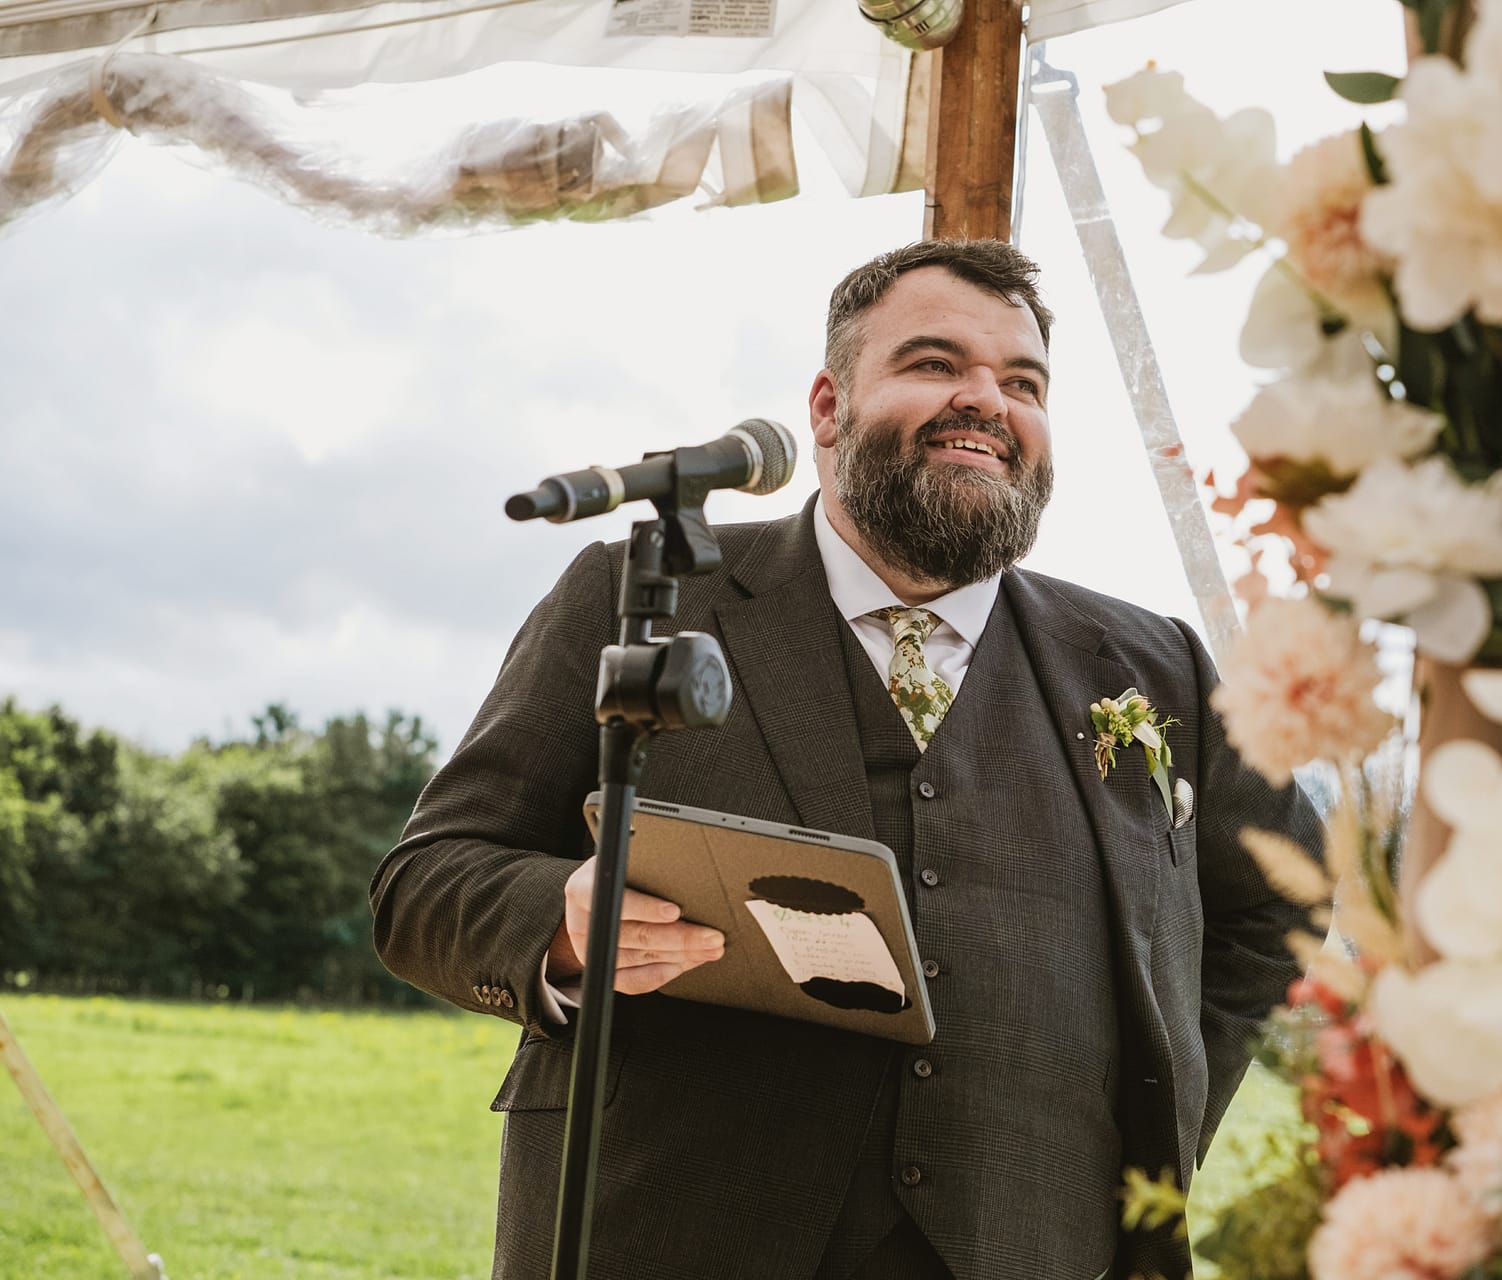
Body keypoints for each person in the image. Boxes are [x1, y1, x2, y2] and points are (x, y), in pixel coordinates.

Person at [370, 239, 1324, 1280]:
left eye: (1023, 382)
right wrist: (560, 919)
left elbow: (1284, 902)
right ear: (827, 409)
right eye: (932, 364)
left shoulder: (1157, 667)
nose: (984, 401)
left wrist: (1160, 1098)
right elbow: (425, 881)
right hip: (673, 1233)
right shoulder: (633, 596)